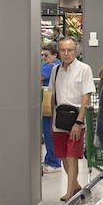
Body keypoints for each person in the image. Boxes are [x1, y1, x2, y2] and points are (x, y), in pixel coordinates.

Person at [50, 37, 94, 201]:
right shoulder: (55, 70)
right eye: (63, 50)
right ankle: (74, 185)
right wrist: (52, 121)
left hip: (76, 118)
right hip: (59, 119)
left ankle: (70, 193)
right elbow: (52, 97)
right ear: (58, 52)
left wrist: (79, 122)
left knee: (72, 156)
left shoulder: (84, 69)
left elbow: (86, 97)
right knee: (62, 155)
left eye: (70, 50)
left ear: (76, 51)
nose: (66, 53)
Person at [39, 42, 61, 172]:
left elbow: (38, 77)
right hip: (56, 103)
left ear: (54, 55)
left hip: (48, 104)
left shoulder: (49, 67)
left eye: (46, 55)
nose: (43, 58)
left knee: (49, 133)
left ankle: (53, 162)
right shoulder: (58, 65)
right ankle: (51, 159)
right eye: (42, 55)